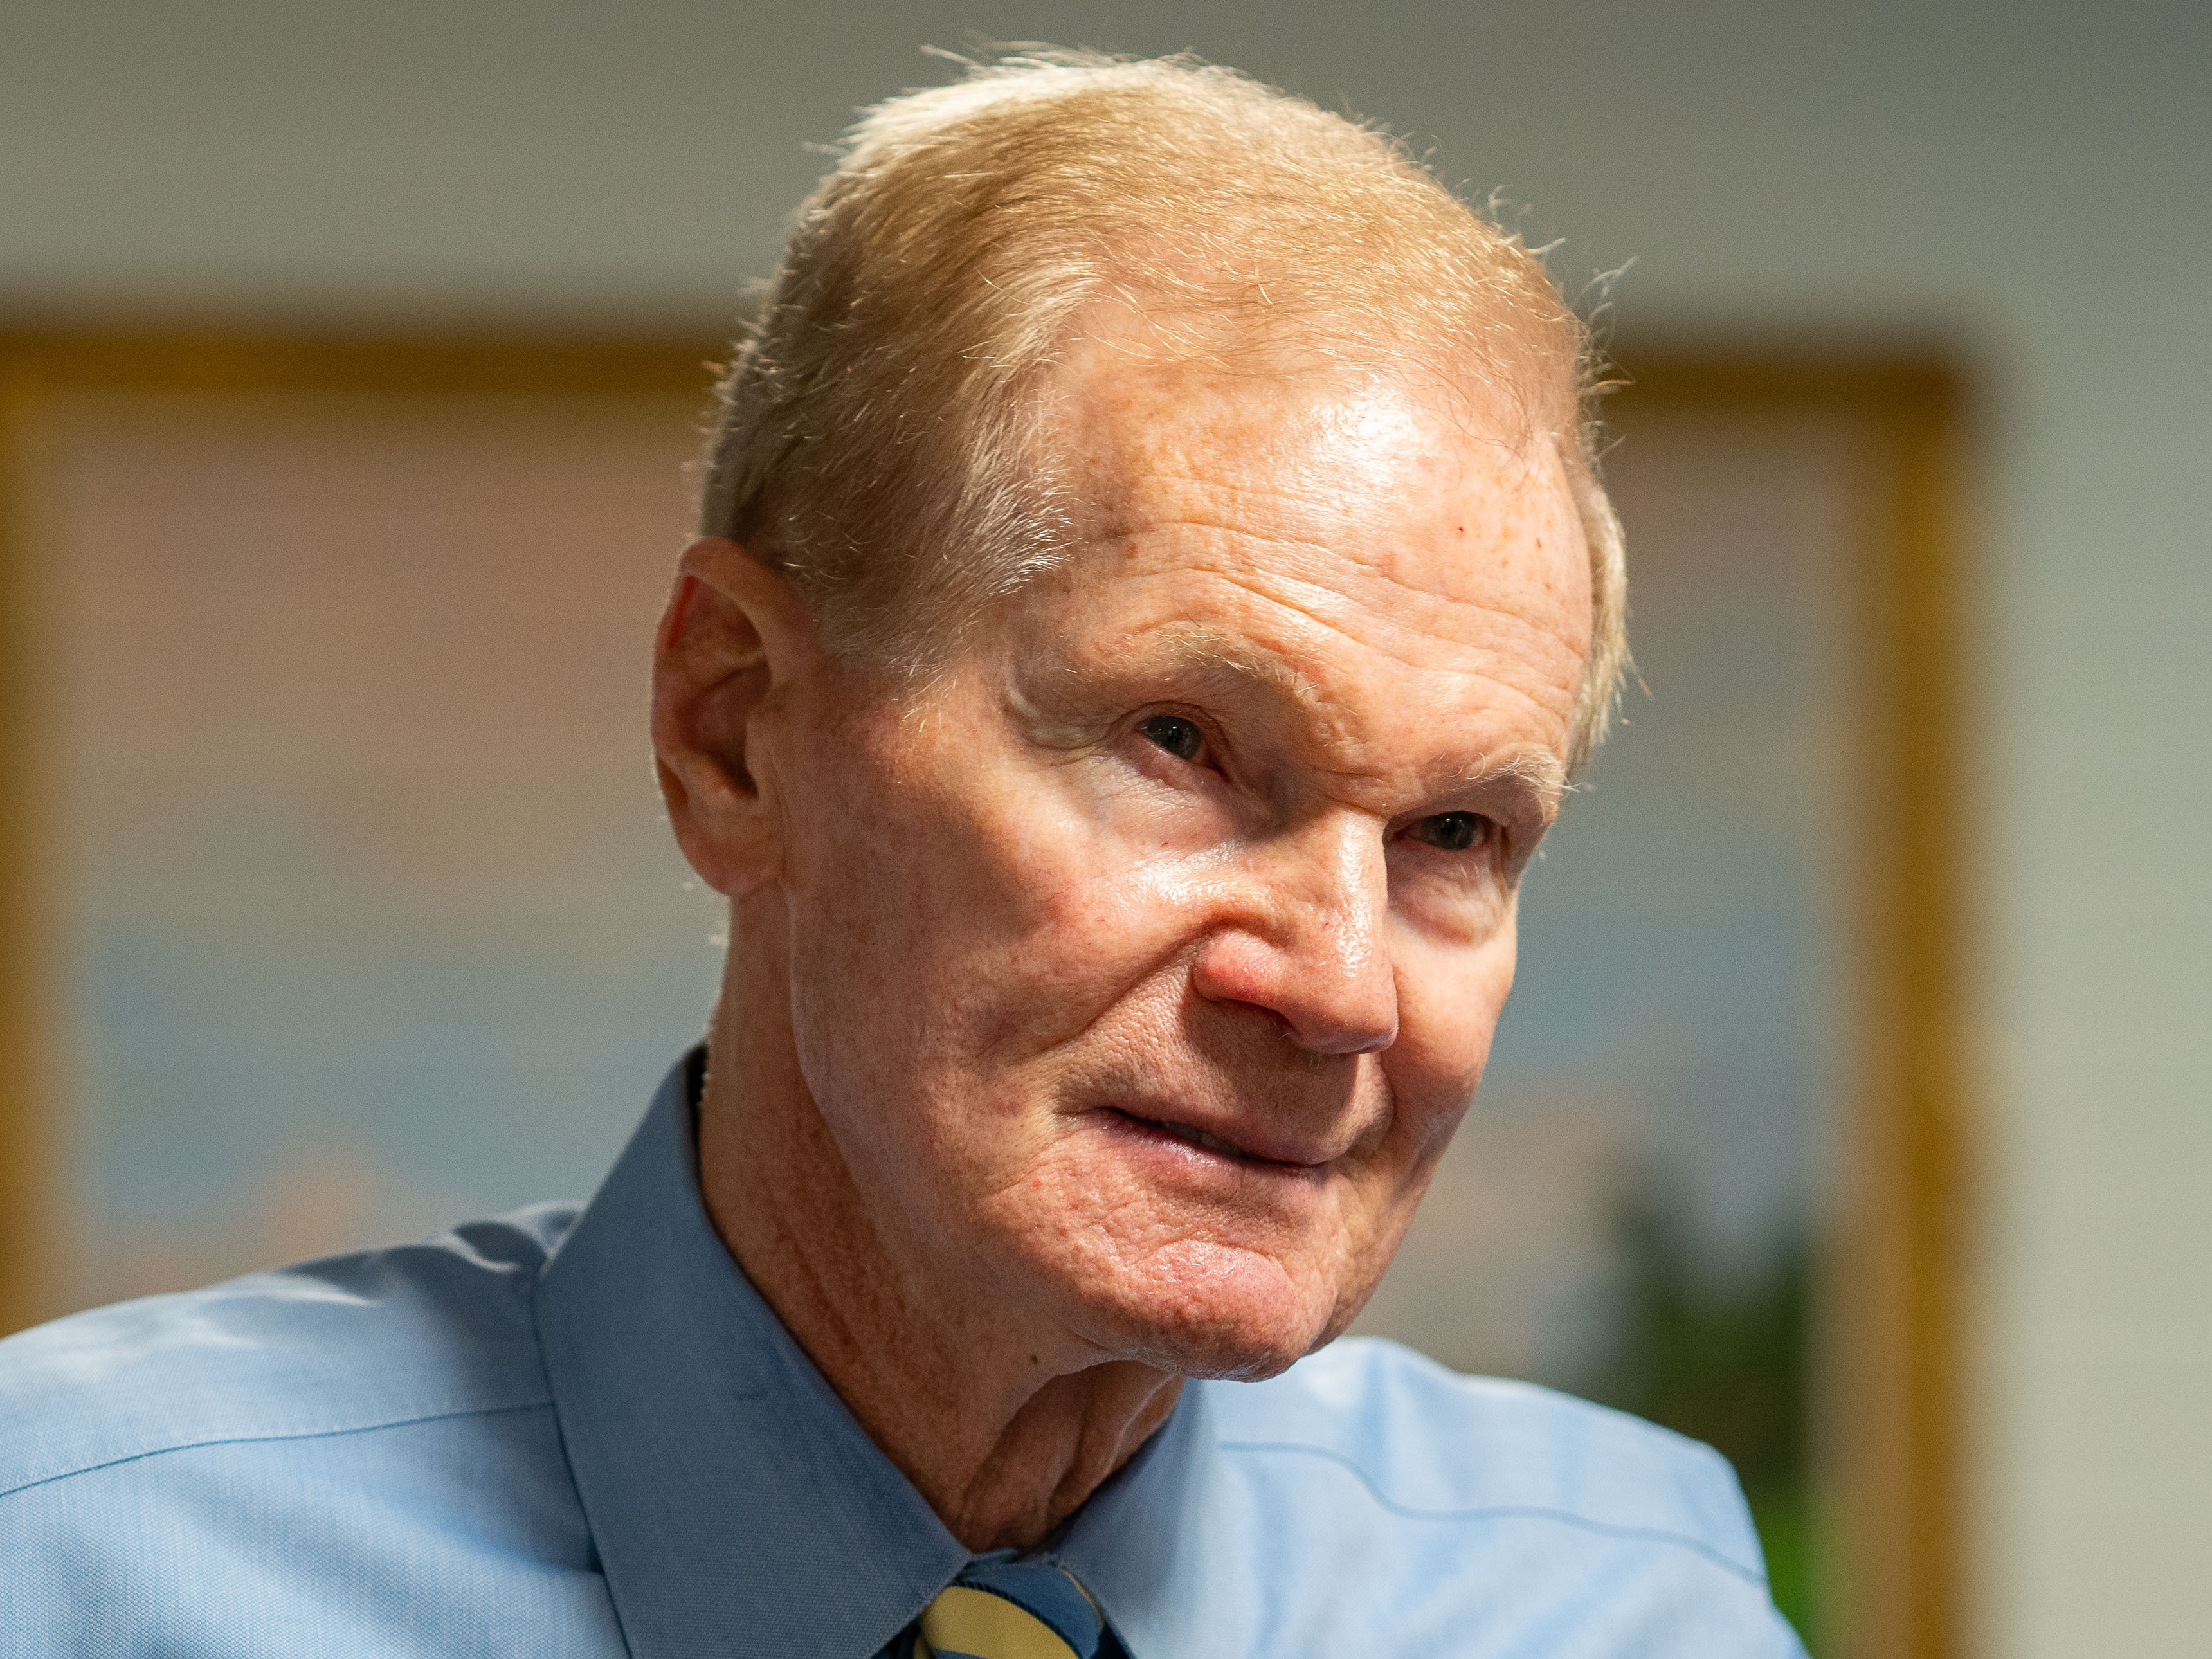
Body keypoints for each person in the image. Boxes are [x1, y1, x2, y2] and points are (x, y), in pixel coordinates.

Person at [0, 51, 1804, 1658]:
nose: (1339, 984)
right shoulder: (65, 1563)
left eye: (1456, 834)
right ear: (734, 730)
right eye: (1182, 745)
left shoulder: (1630, 1593)